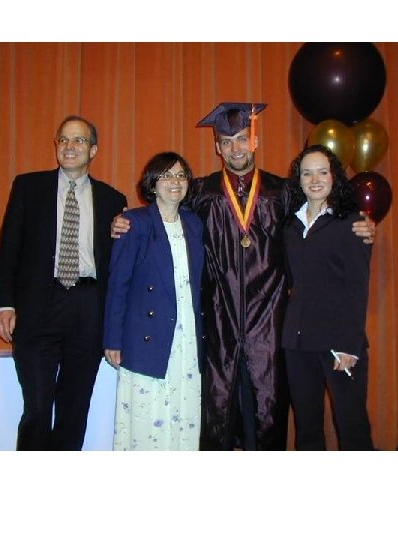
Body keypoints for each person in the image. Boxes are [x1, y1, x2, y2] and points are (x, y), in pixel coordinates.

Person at [113, 103, 375, 450]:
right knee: (218, 407)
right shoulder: (201, 192)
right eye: (226, 141)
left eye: (241, 139)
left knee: (269, 407)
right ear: (217, 147)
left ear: (255, 142)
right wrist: (124, 221)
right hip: (218, 321)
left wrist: (363, 221)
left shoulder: (283, 191)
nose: (235, 148)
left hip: (271, 322)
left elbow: (325, 210)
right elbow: (164, 212)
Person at [0, 115, 128, 450]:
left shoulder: (113, 199)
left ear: (93, 150)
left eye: (79, 140)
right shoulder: (28, 188)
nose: (70, 146)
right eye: (64, 139)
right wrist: (4, 303)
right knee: (37, 410)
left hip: (88, 308)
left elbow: (119, 263)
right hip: (39, 306)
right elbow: (9, 248)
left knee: (74, 409)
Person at [103, 152, 205, 450]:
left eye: (181, 175)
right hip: (146, 336)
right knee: (147, 418)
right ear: (152, 183)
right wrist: (113, 339)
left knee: (184, 412)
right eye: (166, 175)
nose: (175, 182)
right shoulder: (134, 223)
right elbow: (118, 286)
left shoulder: (194, 224)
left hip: (187, 335)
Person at [281, 144, 374, 450]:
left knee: (352, 426)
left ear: (335, 177)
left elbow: (357, 288)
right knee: (307, 427)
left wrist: (349, 345)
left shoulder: (352, 223)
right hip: (298, 342)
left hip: (338, 342)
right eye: (307, 173)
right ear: (298, 180)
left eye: (322, 172)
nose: (315, 179)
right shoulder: (290, 226)